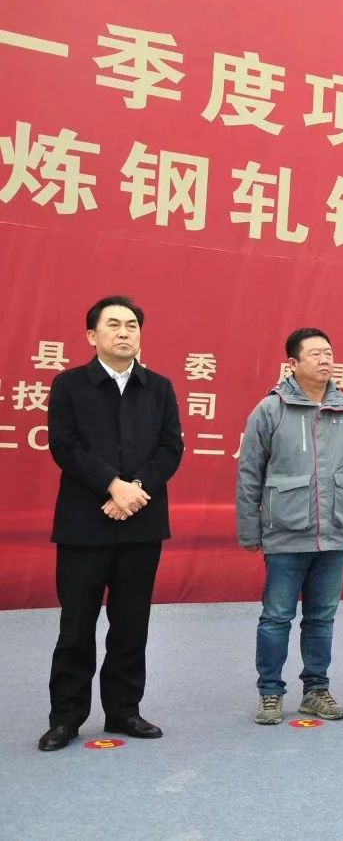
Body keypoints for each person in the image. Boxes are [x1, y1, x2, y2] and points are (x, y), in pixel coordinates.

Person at [39, 296, 184, 752]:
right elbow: (65, 445)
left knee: (131, 624)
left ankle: (123, 710)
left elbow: (170, 448)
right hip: (84, 525)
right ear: (92, 335)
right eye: (114, 325)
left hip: (141, 523)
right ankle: (66, 717)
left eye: (132, 326)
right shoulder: (70, 385)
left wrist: (134, 489)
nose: (124, 333)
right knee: (76, 625)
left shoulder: (158, 387)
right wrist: (111, 485)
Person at [236, 328, 343, 724]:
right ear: (292, 364)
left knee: (322, 618)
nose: (325, 359)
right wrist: (249, 530)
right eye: (314, 353)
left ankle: (316, 689)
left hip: (334, 532)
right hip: (285, 532)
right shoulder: (271, 409)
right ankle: (270, 692)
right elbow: (249, 473)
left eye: (328, 353)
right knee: (277, 616)